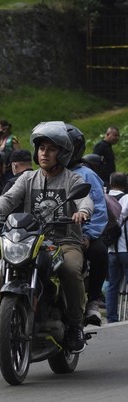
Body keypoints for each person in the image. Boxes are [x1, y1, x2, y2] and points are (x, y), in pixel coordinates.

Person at [0, 121, 93, 353]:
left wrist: (83, 211)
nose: (45, 153)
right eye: (42, 148)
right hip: (32, 240)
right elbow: (9, 198)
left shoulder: (72, 179)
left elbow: (85, 199)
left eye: (51, 149)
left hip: (64, 242)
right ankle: (9, 324)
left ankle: (74, 326)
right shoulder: (28, 178)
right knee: (3, 272)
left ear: (62, 153)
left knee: (71, 270)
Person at [65, 123, 108, 327]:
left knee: (100, 253)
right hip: (49, 235)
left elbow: (98, 209)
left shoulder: (87, 175)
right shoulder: (41, 175)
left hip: (80, 234)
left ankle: (92, 301)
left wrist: (88, 235)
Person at [106, 171, 128, 323]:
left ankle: (112, 318)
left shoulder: (104, 199)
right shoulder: (127, 198)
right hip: (125, 248)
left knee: (112, 284)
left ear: (110, 183)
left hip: (110, 249)